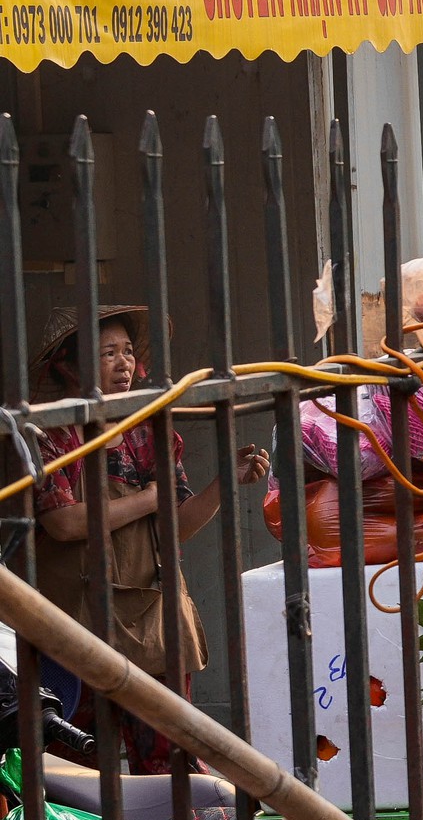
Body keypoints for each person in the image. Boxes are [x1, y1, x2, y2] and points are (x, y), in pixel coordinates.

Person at [31, 306, 269, 766]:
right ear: (67, 364)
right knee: (69, 768)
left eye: (125, 352)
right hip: (73, 627)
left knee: (169, 763)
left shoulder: (147, 433)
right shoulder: (49, 435)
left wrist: (225, 480)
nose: (123, 364)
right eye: (106, 354)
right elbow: (62, 522)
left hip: (151, 619)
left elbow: (176, 523)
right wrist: (145, 499)